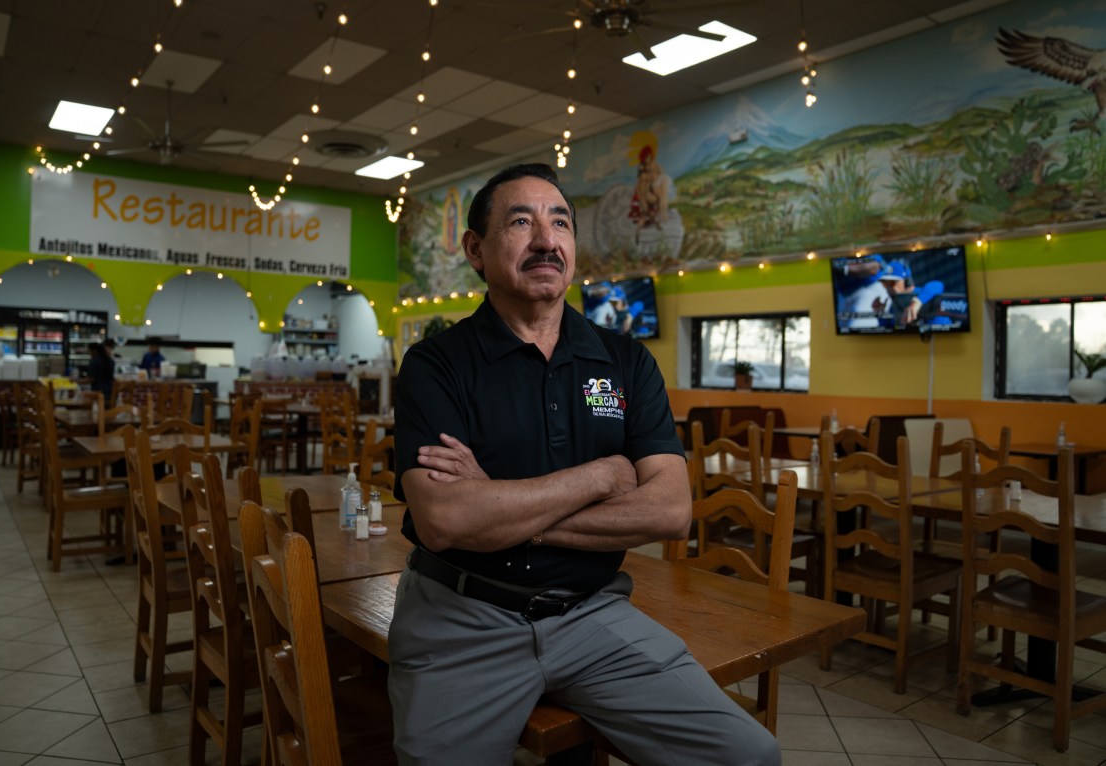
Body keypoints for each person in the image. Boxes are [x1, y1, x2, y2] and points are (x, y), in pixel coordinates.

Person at [389, 163, 780, 765]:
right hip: (461, 616)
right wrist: (600, 477)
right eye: (521, 222)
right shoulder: (434, 364)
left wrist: (499, 508)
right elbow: (444, 520)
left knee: (749, 756)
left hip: (591, 612)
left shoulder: (626, 362)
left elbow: (671, 512)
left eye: (561, 223)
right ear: (475, 249)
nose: (546, 240)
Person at [877, 260, 946, 330]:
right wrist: (881, 315)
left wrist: (917, 302)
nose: (888, 288)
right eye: (885, 284)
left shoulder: (923, 293)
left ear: (907, 282)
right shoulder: (893, 306)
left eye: (892, 283)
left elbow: (938, 285)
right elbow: (887, 331)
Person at [833, 254, 890, 330]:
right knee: (843, 330)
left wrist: (845, 268)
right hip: (844, 294)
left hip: (870, 288)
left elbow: (873, 266)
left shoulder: (862, 250)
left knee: (857, 327)